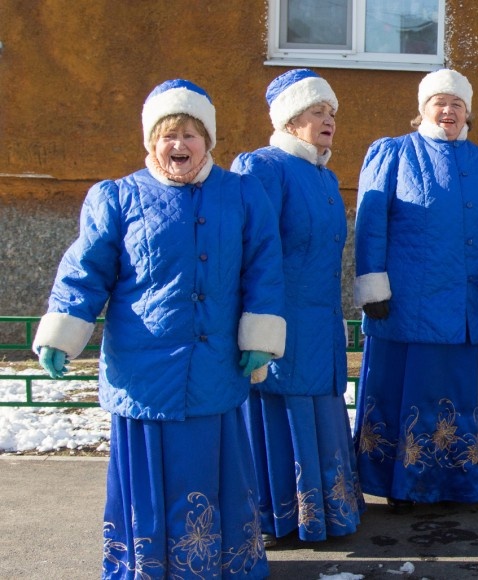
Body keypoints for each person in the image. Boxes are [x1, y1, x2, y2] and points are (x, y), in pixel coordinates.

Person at [33, 79, 285, 578]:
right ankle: (148, 566)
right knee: (150, 475)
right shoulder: (117, 197)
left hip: (213, 364)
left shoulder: (240, 193)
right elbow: (85, 271)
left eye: (190, 134)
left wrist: (259, 339)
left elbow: (263, 267)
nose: (179, 145)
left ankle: (218, 564)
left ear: (208, 141)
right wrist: (62, 332)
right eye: (168, 135)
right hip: (143, 368)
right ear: (151, 142)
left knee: (210, 467)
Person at [352, 68, 478, 513]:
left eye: (457, 104)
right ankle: (405, 486)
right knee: (412, 396)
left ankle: (459, 482)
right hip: (406, 308)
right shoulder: (392, 153)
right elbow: (370, 225)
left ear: (468, 113)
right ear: (421, 110)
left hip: (465, 307)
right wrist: (373, 283)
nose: (448, 111)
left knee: (458, 397)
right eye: (439, 103)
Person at [231, 68, 364, 546]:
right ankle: (277, 516)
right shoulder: (263, 167)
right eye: (316, 112)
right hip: (279, 322)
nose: (328, 120)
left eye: (331, 113)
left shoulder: (324, 176)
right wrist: (254, 326)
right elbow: (248, 248)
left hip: (319, 322)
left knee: (319, 409)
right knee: (280, 410)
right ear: (290, 120)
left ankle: (324, 510)